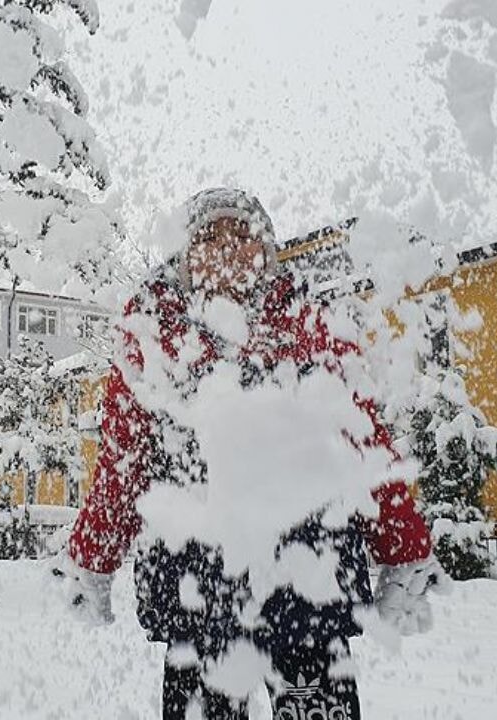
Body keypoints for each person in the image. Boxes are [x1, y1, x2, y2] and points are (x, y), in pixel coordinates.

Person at [57, 189, 448, 720]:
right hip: (196, 589)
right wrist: (93, 559)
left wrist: (403, 549)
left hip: (307, 581)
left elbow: (363, 441)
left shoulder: (309, 321)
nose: (226, 248)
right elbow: (124, 461)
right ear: (184, 255)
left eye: (242, 235)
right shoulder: (153, 330)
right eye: (209, 237)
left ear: (267, 251)